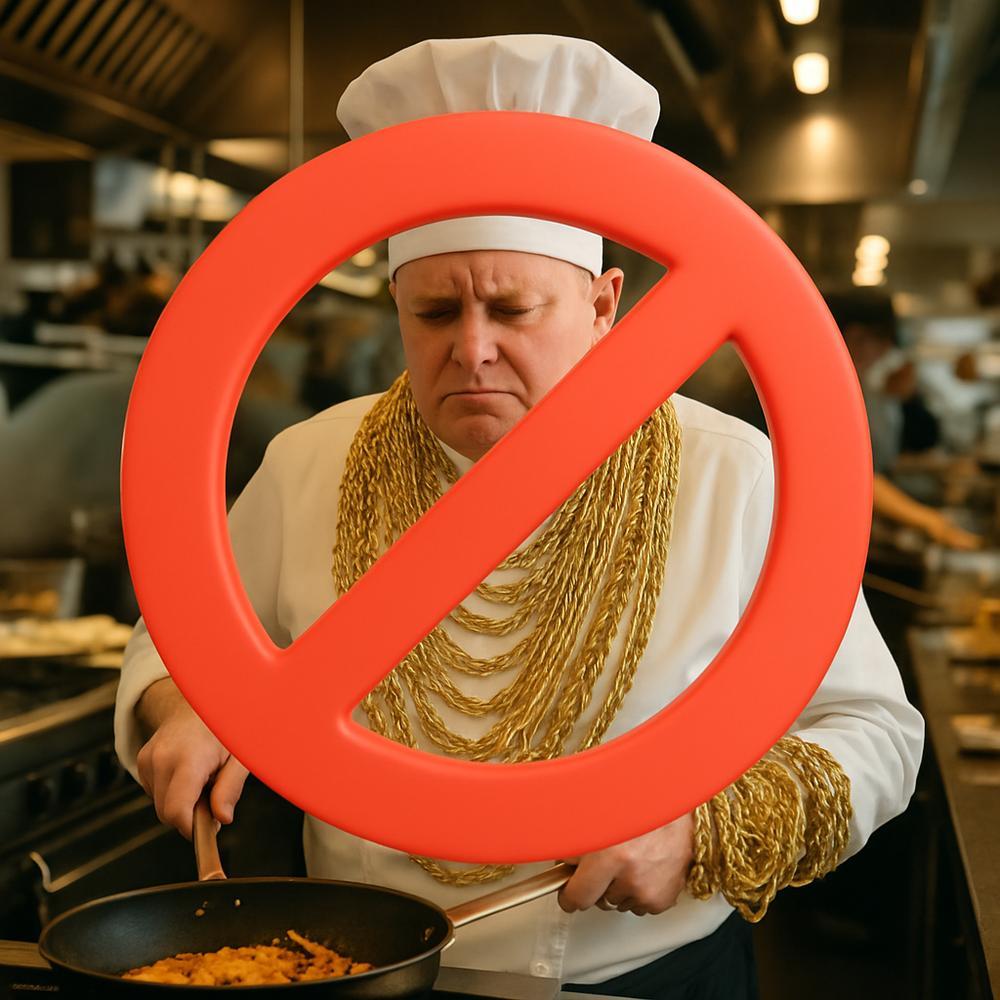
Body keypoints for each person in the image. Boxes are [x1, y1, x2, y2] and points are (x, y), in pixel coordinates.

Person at [114, 36, 924, 999]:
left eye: (512, 308)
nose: (473, 349)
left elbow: (872, 729)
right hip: (358, 970)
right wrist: (187, 704)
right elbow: (181, 636)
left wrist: (699, 829)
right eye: (434, 313)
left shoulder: (731, 475)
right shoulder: (309, 463)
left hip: (646, 979)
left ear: (604, 304)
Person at [829, 291, 982, 551]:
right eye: (882, 341)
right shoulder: (831, 391)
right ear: (856, 336)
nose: (884, 352)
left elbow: (877, 465)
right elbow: (854, 475)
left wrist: (941, 467)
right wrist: (930, 522)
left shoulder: (854, 388)